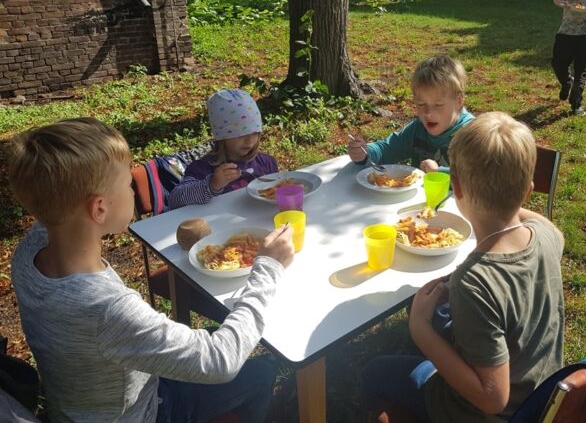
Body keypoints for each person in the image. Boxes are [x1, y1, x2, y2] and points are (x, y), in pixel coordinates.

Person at [8, 117, 295, 423]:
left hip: (79, 406)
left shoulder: (30, 249)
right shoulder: (105, 307)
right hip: (145, 412)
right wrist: (268, 266)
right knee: (262, 371)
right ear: (100, 209)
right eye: (126, 185)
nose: (133, 192)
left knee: (214, 333)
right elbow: (220, 362)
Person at [361, 111, 565, 423]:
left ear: (456, 190)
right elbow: (547, 225)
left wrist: (420, 329)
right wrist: (507, 196)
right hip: (540, 397)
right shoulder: (547, 237)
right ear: (527, 191)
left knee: (374, 372)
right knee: (449, 322)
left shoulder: (474, 282)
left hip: (485, 413)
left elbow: (492, 398)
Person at [347, 54, 474, 173]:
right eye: (421, 104)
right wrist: (365, 153)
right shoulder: (417, 130)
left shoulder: (472, 135)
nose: (428, 113)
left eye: (438, 105)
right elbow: (386, 149)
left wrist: (440, 173)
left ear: (459, 101)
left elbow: (480, 180)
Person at [169, 88, 277, 209]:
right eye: (240, 135)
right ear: (222, 136)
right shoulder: (203, 169)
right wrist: (212, 185)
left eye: (255, 132)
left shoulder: (266, 163)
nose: (250, 141)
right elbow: (175, 200)